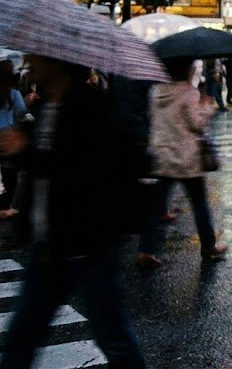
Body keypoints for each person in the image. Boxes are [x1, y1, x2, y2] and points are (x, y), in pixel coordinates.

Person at [0, 56, 145, 368]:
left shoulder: (93, 107)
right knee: (22, 337)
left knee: (114, 339)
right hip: (48, 245)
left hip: (88, 244)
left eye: (36, 57)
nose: (28, 62)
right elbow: (41, 177)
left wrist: (24, 151)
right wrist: (21, 215)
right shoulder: (41, 106)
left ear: (57, 63)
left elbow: (80, 171)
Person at [137, 58, 228, 268]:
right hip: (187, 159)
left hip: (163, 157)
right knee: (199, 203)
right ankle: (208, 245)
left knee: (155, 206)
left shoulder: (155, 92)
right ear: (186, 70)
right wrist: (206, 107)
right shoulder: (189, 93)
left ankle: (145, 249)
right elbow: (197, 125)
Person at [0, 60, 27, 220]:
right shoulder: (14, 94)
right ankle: (5, 207)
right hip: (10, 144)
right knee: (9, 181)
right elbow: (23, 115)